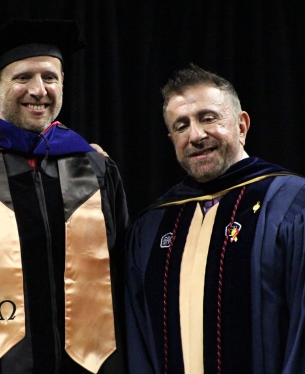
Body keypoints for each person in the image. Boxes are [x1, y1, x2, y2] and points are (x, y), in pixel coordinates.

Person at [0, 19, 129, 373]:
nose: (39, 89)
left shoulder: (94, 170)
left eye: (50, 77)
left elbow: (121, 282)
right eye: (23, 77)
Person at [125, 63, 305, 373]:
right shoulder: (152, 226)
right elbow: (139, 342)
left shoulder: (292, 204)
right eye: (181, 126)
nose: (195, 135)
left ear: (241, 126)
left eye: (208, 118)